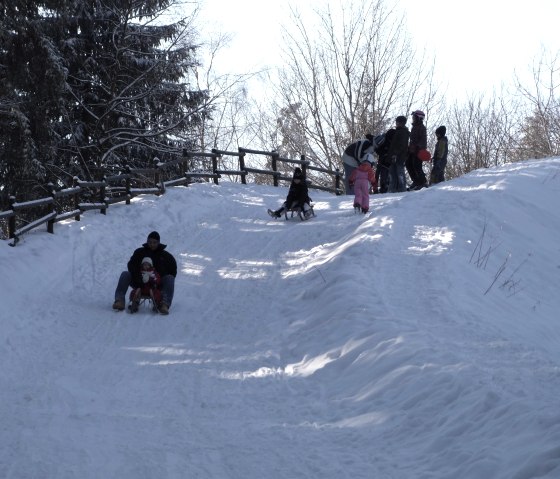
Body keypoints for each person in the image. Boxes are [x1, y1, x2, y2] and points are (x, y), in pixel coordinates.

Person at [112, 231, 177, 314]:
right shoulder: (139, 252)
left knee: (170, 278)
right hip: (138, 281)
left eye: (154, 242)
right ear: (147, 241)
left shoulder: (166, 256)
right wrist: (138, 278)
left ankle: (164, 304)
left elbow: (173, 270)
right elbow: (131, 265)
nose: (152, 244)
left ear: (158, 242)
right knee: (125, 274)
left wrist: (158, 281)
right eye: (150, 242)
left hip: (157, 284)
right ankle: (119, 301)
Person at [387, 116, 410, 193]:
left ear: (401, 123)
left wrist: (395, 153)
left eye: (397, 122)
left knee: (399, 173)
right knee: (393, 173)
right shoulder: (398, 131)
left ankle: (402, 189)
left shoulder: (403, 132)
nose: (396, 124)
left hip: (399, 156)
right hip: (394, 156)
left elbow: (401, 145)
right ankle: (393, 189)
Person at [406, 110, 428, 190]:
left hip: (418, 150)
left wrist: (418, 147)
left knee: (417, 166)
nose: (413, 119)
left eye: (414, 117)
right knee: (408, 164)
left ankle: (423, 182)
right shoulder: (414, 127)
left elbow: (423, 140)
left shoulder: (422, 128)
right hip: (412, 150)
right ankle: (416, 180)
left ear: (419, 118)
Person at [374, 128, 396, 194]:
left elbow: (377, 150)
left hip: (383, 160)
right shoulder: (388, 141)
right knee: (384, 174)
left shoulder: (385, 139)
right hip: (385, 161)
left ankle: (379, 188)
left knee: (380, 174)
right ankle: (383, 188)